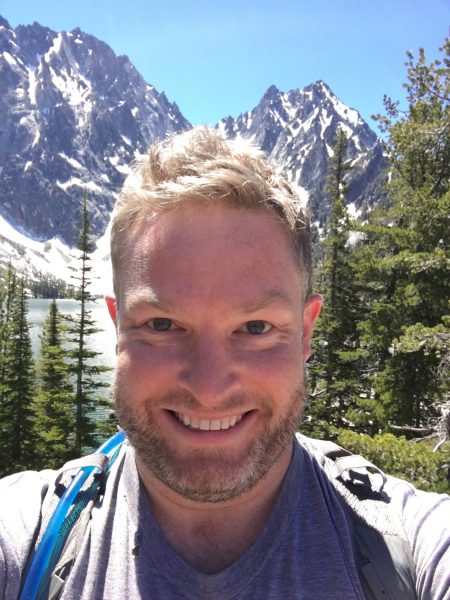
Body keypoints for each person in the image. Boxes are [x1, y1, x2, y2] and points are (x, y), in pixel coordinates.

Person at [1, 127, 449, 600]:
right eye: (162, 325)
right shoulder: (31, 533)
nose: (209, 388)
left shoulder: (401, 544)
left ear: (305, 333)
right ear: (118, 328)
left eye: (255, 328)